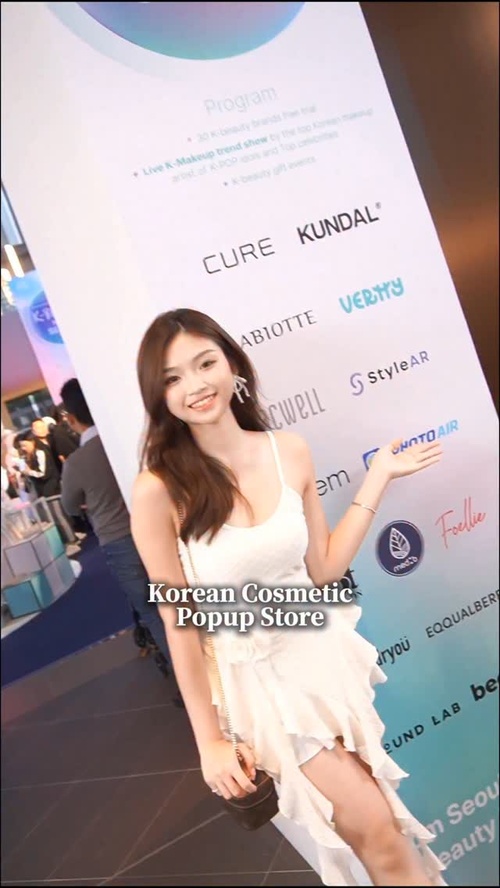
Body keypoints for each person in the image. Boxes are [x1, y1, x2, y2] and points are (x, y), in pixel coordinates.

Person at [130, 308, 446, 888]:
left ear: (232, 364)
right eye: (173, 377)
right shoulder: (158, 490)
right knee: (380, 833)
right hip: (263, 686)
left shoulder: (288, 450)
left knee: (383, 833)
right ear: (160, 395)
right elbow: (179, 623)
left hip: (322, 661)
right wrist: (209, 741)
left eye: (205, 363)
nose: (195, 385)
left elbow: (322, 570)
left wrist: (377, 477)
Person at [59, 378, 182, 705]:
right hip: (159, 526)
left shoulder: (77, 463)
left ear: (71, 418)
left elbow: (70, 506)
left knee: (153, 611)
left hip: (118, 540)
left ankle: (191, 685)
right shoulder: (130, 440)